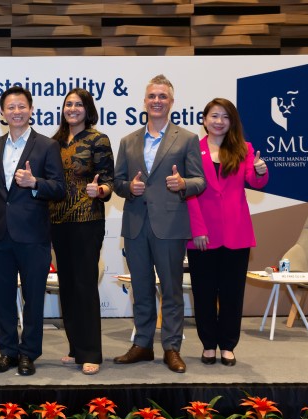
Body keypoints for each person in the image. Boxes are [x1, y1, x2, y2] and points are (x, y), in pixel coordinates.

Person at [113, 74, 205, 374]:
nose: (157, 101)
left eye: (162, 96)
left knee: (172, 289)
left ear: (171, 102)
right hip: (136, 224)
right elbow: (118, 182)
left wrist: (182, 183)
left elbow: (199, 181)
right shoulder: (128, 141)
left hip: (171, 226)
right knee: (140, 289)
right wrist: (129, 188)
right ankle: (142, 344)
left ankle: (171, 347)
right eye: (152, 96)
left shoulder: (188, 139)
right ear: (144, 102)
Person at [0, 86, 65, 376]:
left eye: (21, 106)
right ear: (2, 113)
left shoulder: (47, 146)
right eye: (10, 107)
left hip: (33, 235)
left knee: (33, 297)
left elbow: (59, 188)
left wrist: (34, 182)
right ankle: (7, 351)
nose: (16, 112)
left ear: (31, 109)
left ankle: (28, 353)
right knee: (1, 297)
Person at [186, 98, 268, 367]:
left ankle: (228, 345)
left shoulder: (244, 149)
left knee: (232, 293)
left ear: (231, 122)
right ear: (204, 119)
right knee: (204, 292)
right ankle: (209, 344)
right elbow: (189, 194)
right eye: (214, 115)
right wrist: (197, 229)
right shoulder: (191, 150)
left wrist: (260, 171)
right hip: (202, 234)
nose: (219, 121)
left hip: (236, 232)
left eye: (225, 116)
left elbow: (254, 181)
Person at [49, 88, 114, 376]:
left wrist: (99, 190)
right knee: (68, 287)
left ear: (88, 110)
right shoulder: (54, 142)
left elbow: (110, 181)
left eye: (78, 104)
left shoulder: (98, 140)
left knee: (85, 285)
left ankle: (92, 352)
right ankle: (76, 347)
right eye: (68, 104)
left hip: (87, 219)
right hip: (57, 221)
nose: (72, 108)